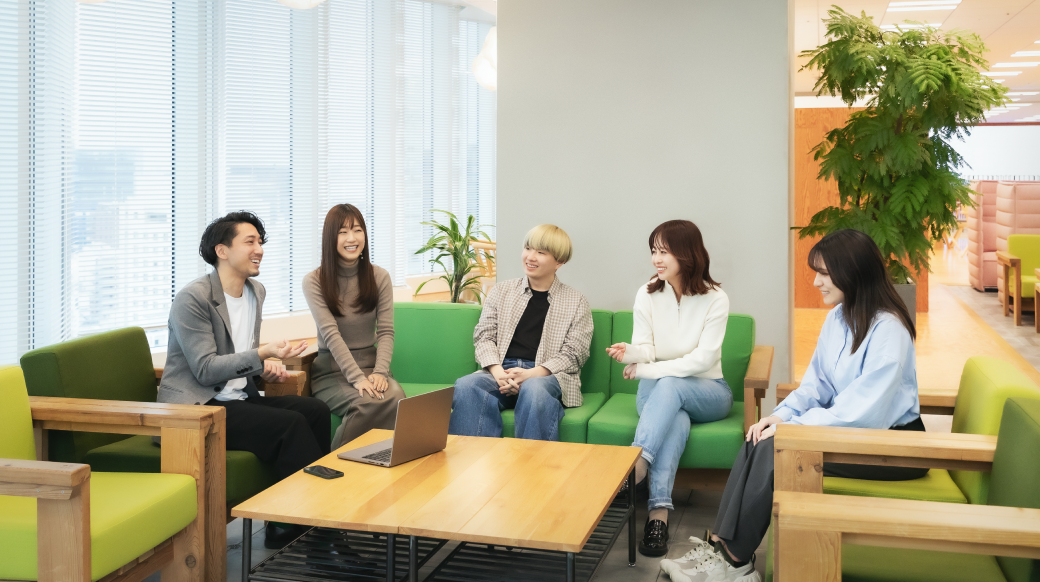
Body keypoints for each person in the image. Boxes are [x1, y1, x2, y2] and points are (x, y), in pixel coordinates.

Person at [661, 229, 925, 582]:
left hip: (891, 447)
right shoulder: (839, 318)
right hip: (849, 432)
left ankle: (735, 563)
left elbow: (864, 412)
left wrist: (794, 428)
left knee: (776, 448)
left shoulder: (889, 330)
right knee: (757, 436)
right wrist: (778, 416)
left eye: (824, 273)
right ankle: (721, 550)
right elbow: (816, 385)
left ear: (854, 273)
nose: (816, 282)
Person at [159, 211, 332, 549]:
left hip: (238, 399)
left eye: (261, 242)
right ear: (222, 251)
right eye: (250, 241)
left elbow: (237, 353)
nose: (259, 249)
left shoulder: (255, 292)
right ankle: (322, 533)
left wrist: (262, 368)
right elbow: (206, 369)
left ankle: (284, 525)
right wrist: (261, 353)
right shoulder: (193, 298)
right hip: (197, 408)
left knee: (315, 410)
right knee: (291, 425)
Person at [605, 220, 732, 558]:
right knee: (675, 417)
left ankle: (637, 463)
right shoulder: (647, 293)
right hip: (658, 395)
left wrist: (649, 370)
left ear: (687, 254)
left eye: (664, 252)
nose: (656, 259)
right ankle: (657, 518)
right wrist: (631, 353)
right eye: (653, 251)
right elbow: (646, 348)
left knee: (672, 386)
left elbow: (703, 360)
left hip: (709, 391)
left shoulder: (715, 298)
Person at [448, 224, 593, 442]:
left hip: (545, 376)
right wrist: (499, 373)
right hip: (501, 371)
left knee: (534, 390)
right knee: (467, 385)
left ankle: (533, 463)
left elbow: (575, 353)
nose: (530, 257)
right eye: (528, 248)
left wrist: (530, 374)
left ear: (559, 262)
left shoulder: (576, 300)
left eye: (541, 252)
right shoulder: (502, 291)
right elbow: (484, 336)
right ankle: (472, 461)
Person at [303, 204, 406, 449]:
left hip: (372, 366)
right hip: (333, 371)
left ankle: (380, 463)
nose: (352, 238)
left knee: (397, 398)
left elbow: (386, 331)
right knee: (366, 401)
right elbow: (331, 334)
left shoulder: (379, 276)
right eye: (343, 232)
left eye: (357, 230)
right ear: (330, 238)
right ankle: (334, 464)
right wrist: (358, 378)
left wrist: (380, 372)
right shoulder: (314, 281)